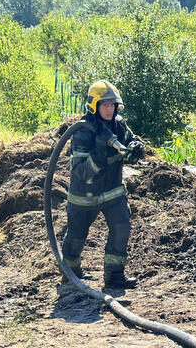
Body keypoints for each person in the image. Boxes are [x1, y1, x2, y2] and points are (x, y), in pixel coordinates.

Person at [62, 80, 145, 289]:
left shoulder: (119, 124)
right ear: (94, 106)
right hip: (84, 195)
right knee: (76, 236)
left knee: (122, 225)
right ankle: (71, 273)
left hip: (112, 192)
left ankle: (114, 276)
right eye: (105, 105)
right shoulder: (82, 131)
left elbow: (130, 141)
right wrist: (99, 150)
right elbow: (81, 171)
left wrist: (136, 147)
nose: (110, 109)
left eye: (112, 105)